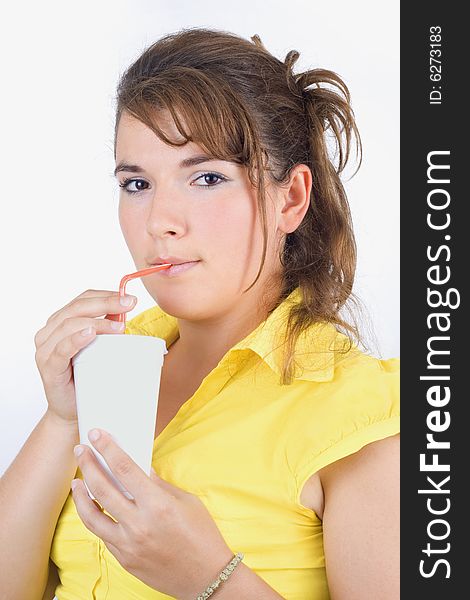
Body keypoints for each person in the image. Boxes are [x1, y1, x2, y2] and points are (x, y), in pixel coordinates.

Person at [0, 27, 399, 600]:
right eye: (136, 183)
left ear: (290, 199)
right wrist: (63, 417)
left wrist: (208, 577)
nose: (160, 220)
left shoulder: (362, 417)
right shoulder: (108, 365)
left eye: (207, 177)